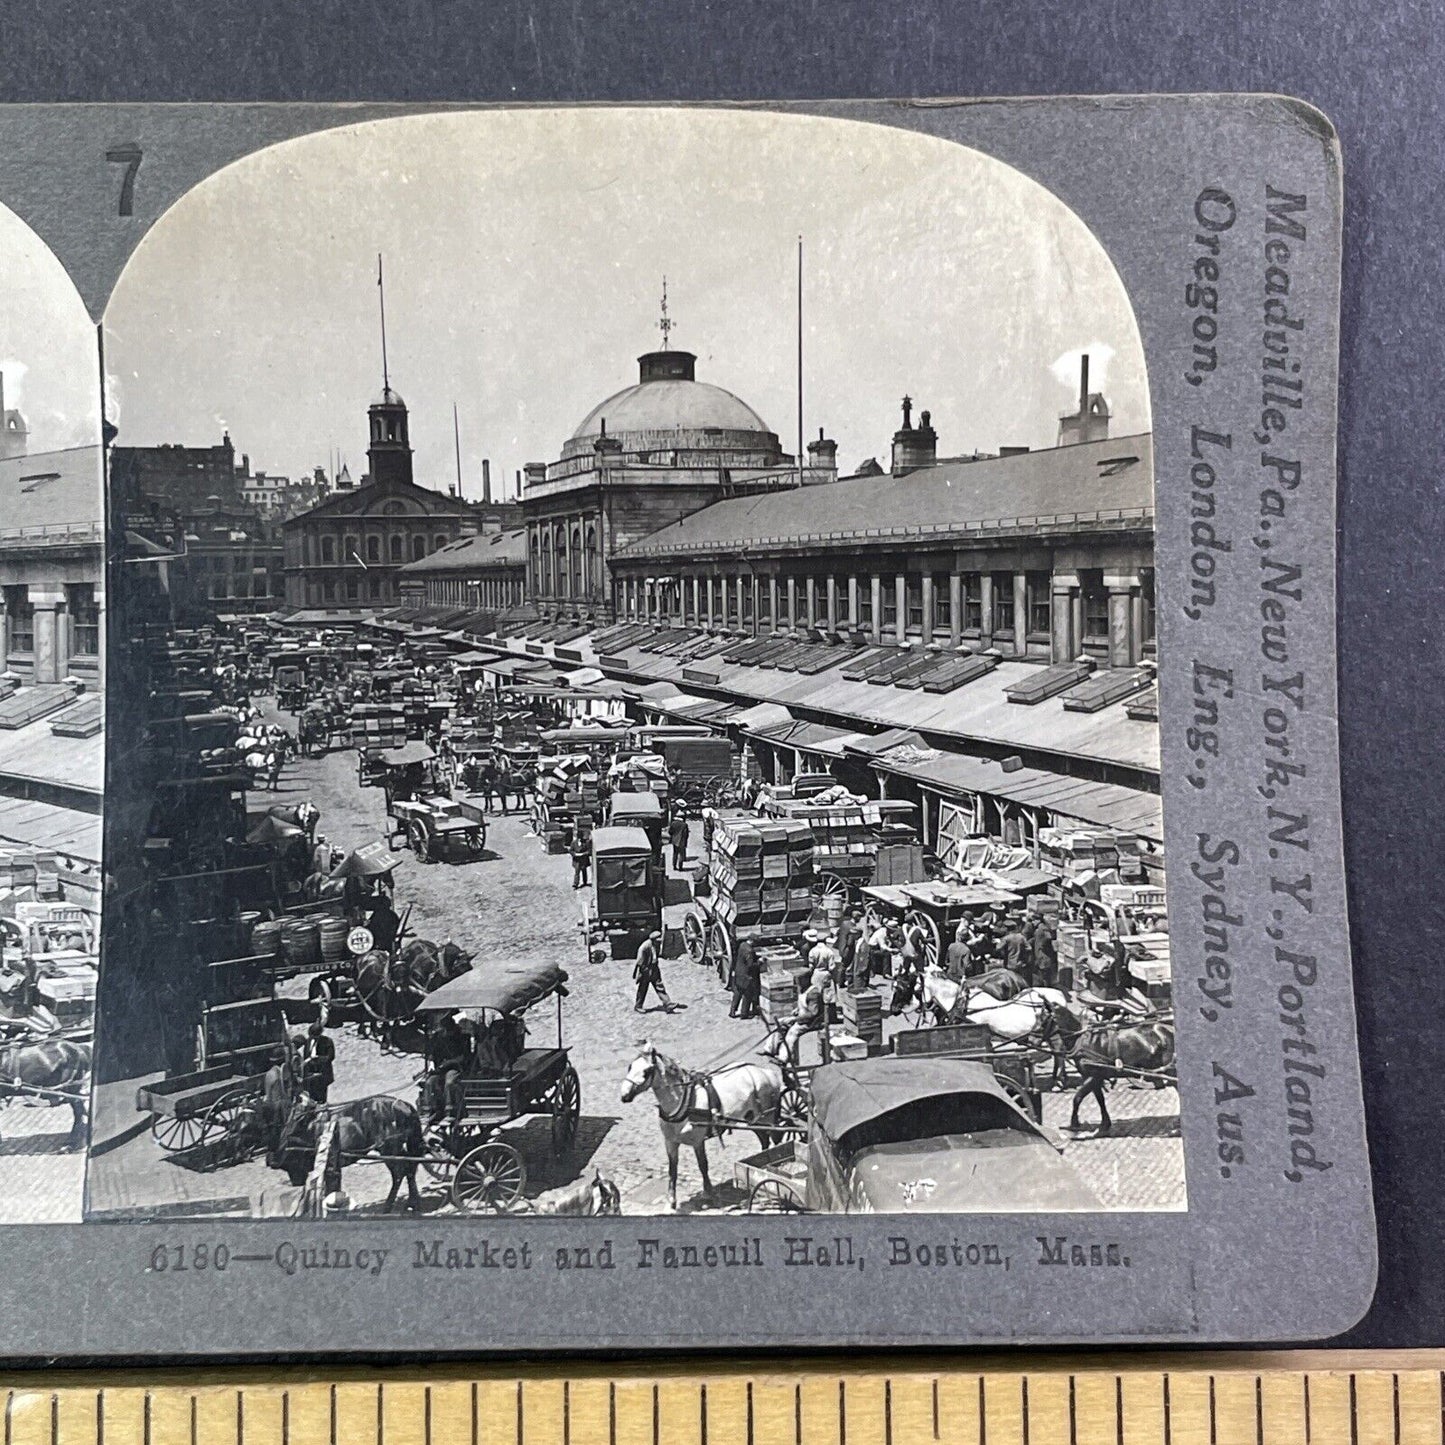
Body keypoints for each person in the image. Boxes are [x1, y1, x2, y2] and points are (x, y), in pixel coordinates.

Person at [424, 1011, 469, 1123]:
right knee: (429, 1082)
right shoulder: (438, 1039)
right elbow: (431, 1054)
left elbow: (463, 1057)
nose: (446, 1031)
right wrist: (431, 1064)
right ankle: (433, 1110)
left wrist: (449, 1062)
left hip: (456, 1067)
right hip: (441, 1069)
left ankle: (451, 1110)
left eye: (448, 1028)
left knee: (450, 1082)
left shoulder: (462, 1038)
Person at [633, 930, 679, 1013]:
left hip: (654, 968)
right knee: (643, 988)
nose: (660, 940)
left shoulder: (655, 945)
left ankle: (668, 1004)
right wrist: (644, 970)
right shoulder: (644, 947)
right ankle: (638, 1006)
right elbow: (640, 961)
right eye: (659, 938)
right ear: (654, 939)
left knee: (659, 986)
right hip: (645, 969)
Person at [298, 1020, 336, 1103]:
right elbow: (306, 1055)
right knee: (311, 1097)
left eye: (315, 1037)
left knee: (321, 1097)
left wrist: (317, 1059)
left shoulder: (327, 1041)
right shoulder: (308, 1041)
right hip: (310, 1075)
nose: (313, 1038)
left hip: (322, 1074)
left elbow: (330, 1057)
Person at [730, 935, 759, 1019]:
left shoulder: (742, 945)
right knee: (747, 995)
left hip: (738, 973)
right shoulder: (749, 950)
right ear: (753, 942)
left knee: (737, 993)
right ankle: (744, 1014)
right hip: (746, 976)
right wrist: (759, 962)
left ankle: (732, 1011)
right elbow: (750, 965)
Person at [834, 908, 862, 990]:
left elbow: (838, 933)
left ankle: (840, 981)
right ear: (856, 917)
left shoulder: (844, 923)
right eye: (859, 917)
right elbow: (850, 942)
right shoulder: (852, 927)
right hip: (848, 949)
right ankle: (843, 982)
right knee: (847, 966)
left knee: (843, 965)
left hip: (841, 947)